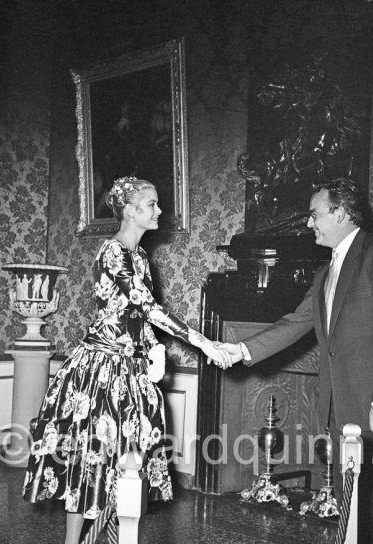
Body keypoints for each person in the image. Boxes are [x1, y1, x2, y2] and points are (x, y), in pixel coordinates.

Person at [22, 176, 230, 544]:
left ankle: (117, 535)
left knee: (126, 463)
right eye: (152, 204)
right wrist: (202, 342)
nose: (159, 210)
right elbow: (145, 305)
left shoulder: (140, 256)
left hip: (130, 370)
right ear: (131, 211)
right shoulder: (112, 251)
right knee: (89, 462)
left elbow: (134, 317)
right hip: (100, 371)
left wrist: (154, 348)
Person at [217, 178, 373, 544]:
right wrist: (241, 350)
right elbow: (295, 322)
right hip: (338, 405)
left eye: (314, 215)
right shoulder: (325, 272)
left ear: (340, 213)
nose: (309, 224)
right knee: (349, 501)